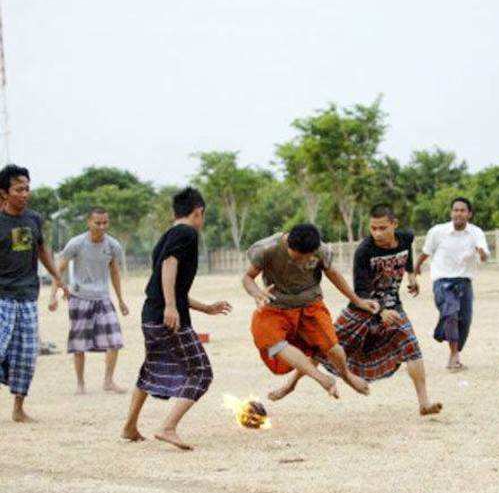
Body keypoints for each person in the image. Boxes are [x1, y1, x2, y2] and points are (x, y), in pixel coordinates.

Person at [270, 206, 442, 416]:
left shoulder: (406, 238)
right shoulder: (364, 251)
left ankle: (424, 403)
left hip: (394, 307)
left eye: (382, 228)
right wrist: (381, 312)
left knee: (411, 347)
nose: (377, 233)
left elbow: (406, 255)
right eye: (373, 228)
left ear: (394, 225)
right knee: (325, 348)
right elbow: (361, 291)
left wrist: (412, 276)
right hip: (361, 310)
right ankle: (290, 385)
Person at [121, 187, 231, 450]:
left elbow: (166, 281)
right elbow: (170, 264)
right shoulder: (187, 233)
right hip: (166, 316)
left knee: (151, 368)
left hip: (152, 313)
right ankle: (168, 427)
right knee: (201, 372)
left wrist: (204, 308)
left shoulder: (167, 236)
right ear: (198, 212)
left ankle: (130, 426)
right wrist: (171, 307)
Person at [243, 223, 379, 399]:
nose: (303, 261)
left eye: (307, 258)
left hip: (310, 305)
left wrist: (357, 301)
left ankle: (346, 375)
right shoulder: (267, 249)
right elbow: (247, 277)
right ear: (288, 245)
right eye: (298, 257)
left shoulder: (320, 250)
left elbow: (334, 274)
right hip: (276, 307)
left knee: (332, 346)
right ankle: (322, 379)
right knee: (273, 343)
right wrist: (257, 294)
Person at [0, 164, 68, 422]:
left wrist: (58, 278)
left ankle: (18, 409)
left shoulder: (34, 219)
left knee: (26, 355)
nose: (25, 193)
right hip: (2, 295)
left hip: (28, 295)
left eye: (27, 188)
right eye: (19, 189)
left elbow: (42, 250)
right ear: (4, 193)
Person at [48, 207, 129, 393]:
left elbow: (114, 272)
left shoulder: (112, 245)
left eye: (105, 223)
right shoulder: (76, 243)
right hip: (80, 298)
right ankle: (80, 384)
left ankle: (108, 381)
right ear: (89, 222)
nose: (101, 226)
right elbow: (58, 269)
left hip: (103, 298)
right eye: (97, 222)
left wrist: (121, 300)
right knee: (79, 343)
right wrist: (54, 295)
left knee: (114, 340)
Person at [415, 197, 489, 371]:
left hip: (464, 282)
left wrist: (481, 253)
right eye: (455, 210)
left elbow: (485, 255)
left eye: (462, 210)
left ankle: (450, 341)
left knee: (465, 320)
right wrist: (416, 267)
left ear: (469, 214)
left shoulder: (476, 232)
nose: (458, 213)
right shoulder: (437, 231)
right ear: (451, 213)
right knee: (451, 313)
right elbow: (426, 252)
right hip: (442, 281)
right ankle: (453, 355)